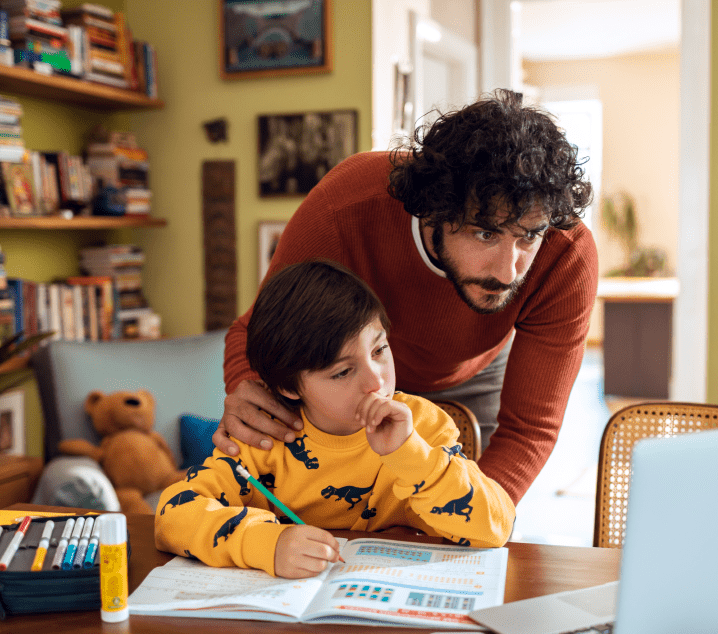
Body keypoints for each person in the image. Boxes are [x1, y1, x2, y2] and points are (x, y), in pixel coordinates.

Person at [216, 89, 598, 504]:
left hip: (475, 377)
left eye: (528, 237)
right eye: (485, 233)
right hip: (350, 378)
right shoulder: (344, 208)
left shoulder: (567, 255)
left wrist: (473, 519)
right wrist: (248, 386)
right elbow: (255, 331)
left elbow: (529, 429)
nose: (509, 272)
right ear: (434, 209)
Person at [156, 260, 514, 578]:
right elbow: (172, 515)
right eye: (343, 372)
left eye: (379, 349)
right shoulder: (263, 439)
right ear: (290, 387)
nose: (376, 381)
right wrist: (265, 544)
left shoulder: (424, 426)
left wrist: (413, 456)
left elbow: (496, 528)